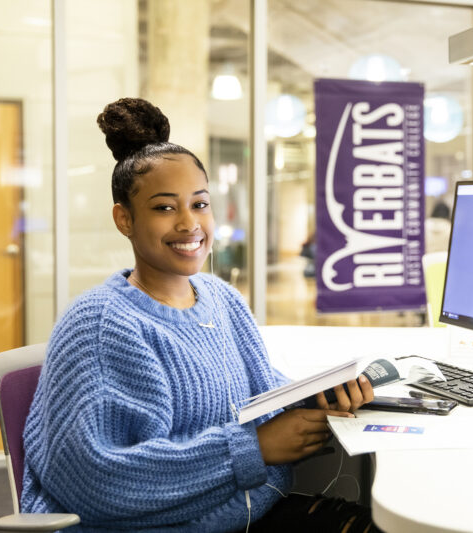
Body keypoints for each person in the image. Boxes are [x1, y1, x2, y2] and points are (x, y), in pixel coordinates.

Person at [21, 97, 377, 532]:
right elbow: (95, 480)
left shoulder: (218, 297)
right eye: (164, 207)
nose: (189, 224)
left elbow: (261, 397)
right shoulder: (100, 325)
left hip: (251, 512)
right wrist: (253, 449)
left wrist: (325, 394)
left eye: (200, 204)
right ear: (124, 219)